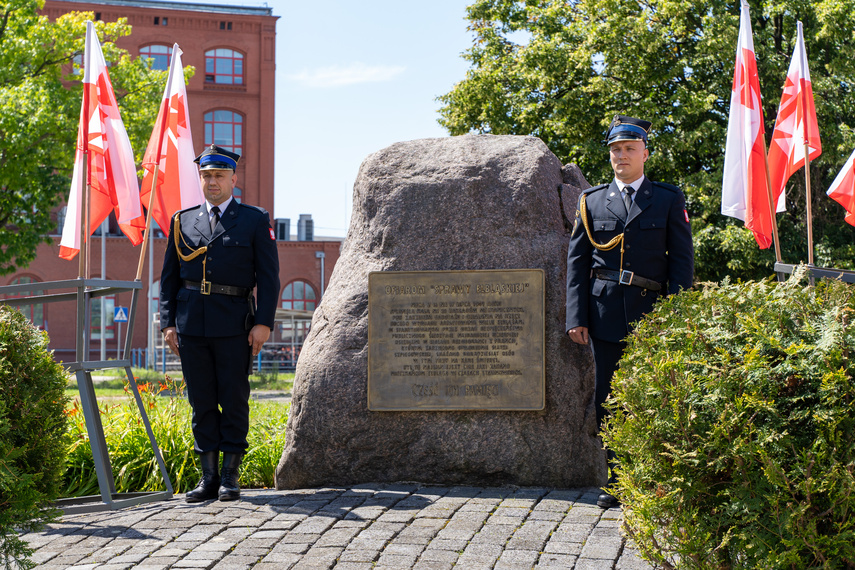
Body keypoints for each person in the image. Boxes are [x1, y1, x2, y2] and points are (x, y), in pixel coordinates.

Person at [565, 115, 694, 509]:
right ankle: (617, 481)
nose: (621, 156)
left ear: (645, 154)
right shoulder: (592, 200)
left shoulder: (668, 199)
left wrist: (677, 313)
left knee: (655, 397)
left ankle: (653, 478)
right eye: (615, 150)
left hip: (653, 313)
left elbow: (681, 261)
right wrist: (576, 316)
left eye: (629, 149)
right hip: (604, 314)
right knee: (609, 398)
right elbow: (576, 262)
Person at [160, 144, 280, 502]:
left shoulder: (254, 219)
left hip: (234, 324)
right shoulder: (183, 220)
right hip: (191, 324)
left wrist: (264, 323)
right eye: (206, 175)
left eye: (218, 175)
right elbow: (169, 277)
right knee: (201, 401)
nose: (212, 182)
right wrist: (168, 323)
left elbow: (269, 277)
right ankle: (208, 477)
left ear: (233, 178)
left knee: (233, 397)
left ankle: (230, 475)